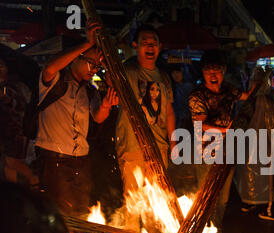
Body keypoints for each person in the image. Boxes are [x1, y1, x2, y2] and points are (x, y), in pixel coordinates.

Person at [35, 20, 118, 218]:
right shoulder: (55, 81)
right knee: (62, 213)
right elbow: (49, 68)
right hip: (55, 158)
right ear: (75, 59)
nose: (94, 69)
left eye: (97, 66)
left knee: (81, 211)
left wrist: (106, 105)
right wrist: (87, 44)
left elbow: (98, 118)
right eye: (91, 63)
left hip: (81, 160)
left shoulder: (90, 91)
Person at [188, 49, 257, 233]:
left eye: (217, 70)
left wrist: (257, 82)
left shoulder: (229, 89)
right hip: (206, 152)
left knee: (223, 198)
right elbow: (201, 126)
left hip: (227, 151)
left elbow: (247, 96)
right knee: (206, 196)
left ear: (223, 71)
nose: (213, 74)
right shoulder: (198, 96)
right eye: (208, 70)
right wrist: (228, 130)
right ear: (202, 72)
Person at [115, 24, 176, 196]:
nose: (150, 46)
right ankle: (131, 225)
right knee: (134, 198)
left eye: (154, 42)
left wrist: (172, 142)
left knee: (158, 197)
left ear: (160, 47)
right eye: (145, 42)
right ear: (135, 46)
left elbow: (169, 111)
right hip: (132, 146)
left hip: (159, 147)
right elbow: (111, 81)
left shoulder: (163, 77)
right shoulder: (127, 70)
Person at [234, 67, 274, 221]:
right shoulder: (268, 103)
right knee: (265, 179)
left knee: (247, 176)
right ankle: (267, 209)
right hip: (264, 147)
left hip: (246, 146)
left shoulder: (246, 100)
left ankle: (247, 203)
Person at [0, 57, 37, 187]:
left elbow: (19, 105)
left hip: (14, 132)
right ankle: (13, 193)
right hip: (8, 132)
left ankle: (34, 180)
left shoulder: (12, 88)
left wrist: (7, 100)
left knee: (10, 161)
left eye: (2, 67)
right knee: (7, 164)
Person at [170, 64, 195, 129]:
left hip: (189, 122)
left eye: (178, 72)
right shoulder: (172, 88)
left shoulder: (189, 87)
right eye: (173, 73)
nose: (175, 75)